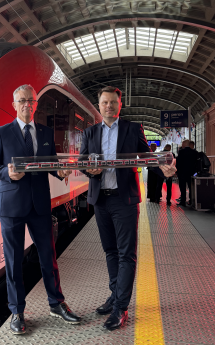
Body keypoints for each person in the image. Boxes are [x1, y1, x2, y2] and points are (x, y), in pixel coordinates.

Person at [0, 84, 81, 335]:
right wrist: (6, 173)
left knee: (49, 256)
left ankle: (56, 304)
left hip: (40, 205)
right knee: (14, 261)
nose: (27, 104)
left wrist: (60, 172)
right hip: (12, 206)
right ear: (14, 105)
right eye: (22, 100)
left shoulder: (45, 132)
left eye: (31, 100)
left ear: (36, 105)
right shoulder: (1, 133)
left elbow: (50, 164)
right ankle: (17, 312)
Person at [79, 86, 176, 331]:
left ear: (120, 105)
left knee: (126, 254)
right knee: (110, 251)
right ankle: (115, 296)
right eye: (105, 102)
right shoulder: (90, 132)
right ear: (99, 105)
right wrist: (89, 170)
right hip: (100, 200)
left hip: (125, 200)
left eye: (113, 102)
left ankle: (121, 308)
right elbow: (81, 161)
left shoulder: (133, 129)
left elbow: (147, 157)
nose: (109, 106)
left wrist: (163, 170)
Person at [176, 139, 198, 206]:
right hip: (191, 173)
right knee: (191, 187)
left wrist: (177, 171)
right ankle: (191, 201)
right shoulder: (194, 152)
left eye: (183, 143)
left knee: (182, 187)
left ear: (185, 144)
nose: (182, 145)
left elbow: (178, 162)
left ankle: (183, 201)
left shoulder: (181, 152)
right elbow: (196, 163)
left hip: (182, 173)